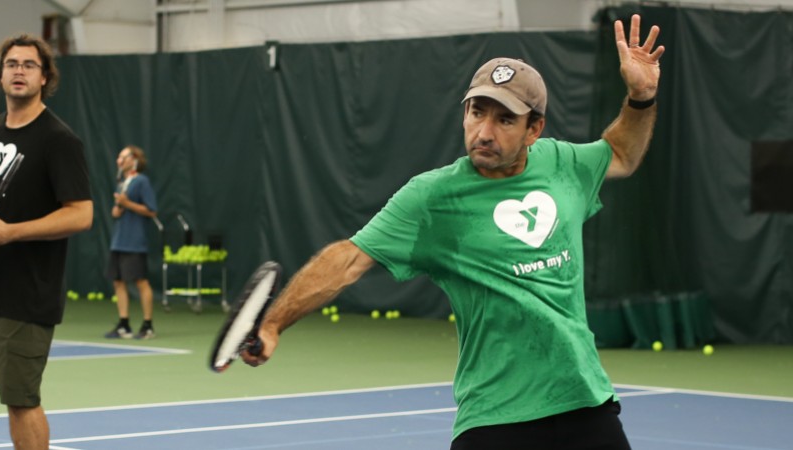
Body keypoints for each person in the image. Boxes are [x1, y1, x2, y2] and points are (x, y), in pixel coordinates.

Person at [242, 15, 664, 449]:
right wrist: (273, 324)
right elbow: (348, 260)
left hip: (584, 403)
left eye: (504, 120)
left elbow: (620, 153)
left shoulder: (564, 165)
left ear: (533, 129)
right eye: (477, 112)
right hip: (494, 418)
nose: (484, 132)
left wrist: (641, 97)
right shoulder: (431, 197)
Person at [0, 34, 92, 450]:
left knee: (21, 401)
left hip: (28, 297)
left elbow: (82, 214)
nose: (19, 71)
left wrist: (13, 233)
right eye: (12, 64)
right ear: (0, 75)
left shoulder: (59, 140)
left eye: (29, 65)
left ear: (44, 77)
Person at [104, 145, 159, 339]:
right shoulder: (122, 183)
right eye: (118, 157)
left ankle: (147, 325)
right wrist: (119, 207)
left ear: (134, 159)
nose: (119, 160)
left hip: (135, 242)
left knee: (141, 282)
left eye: (123, 156)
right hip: (118, 241)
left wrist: (129, 204)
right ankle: (124, 324)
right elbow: (115, 212)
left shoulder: (142, 181)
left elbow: (152, 210)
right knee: (118, 282)